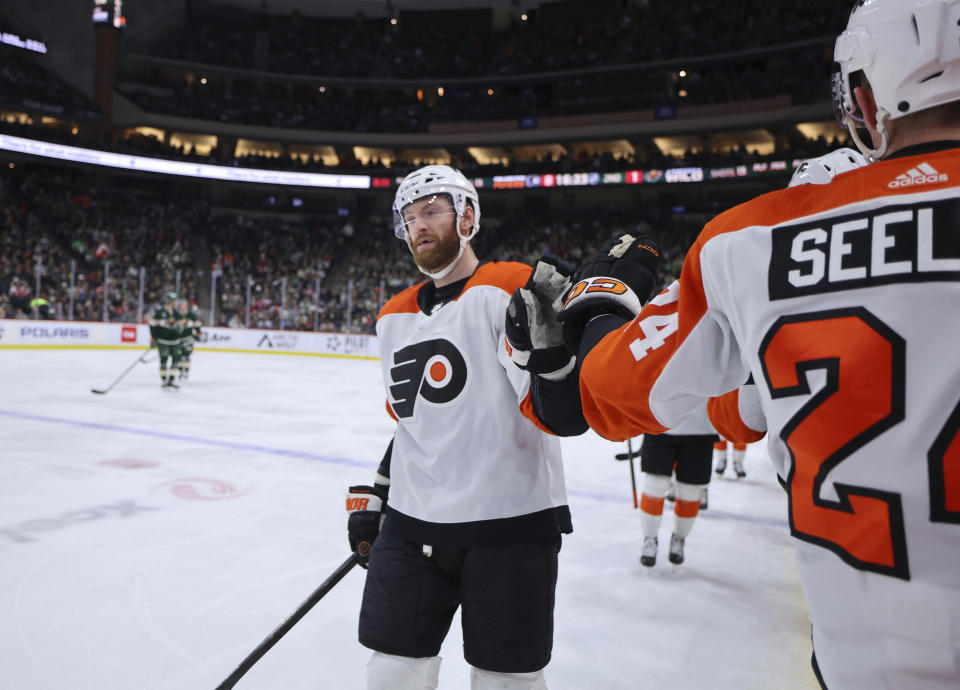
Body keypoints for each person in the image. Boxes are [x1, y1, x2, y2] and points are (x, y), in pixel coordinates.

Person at [558, 1, 960, 687]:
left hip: (863, 661)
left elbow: (607, 393)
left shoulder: (749, 239)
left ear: (864, 92)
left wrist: (601, 303)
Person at [345, 165, 587, 690]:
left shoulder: (509, 288)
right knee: (390, 674)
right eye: (409, 219)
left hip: (509, 526)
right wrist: (378, 495)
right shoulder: (392, 316)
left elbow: (562, 416)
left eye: (431, 210)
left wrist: (559, 361)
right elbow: (413, 426)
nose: (419, 227)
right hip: (411, 527)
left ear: (468, 216)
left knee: (505, 681)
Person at [636, 400, 718, 567]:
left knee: (690, 491)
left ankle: (680, 537)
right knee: (654, 486)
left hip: (701, 427)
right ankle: (650, 538)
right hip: (659, 422)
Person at [148, 292, 183, 389]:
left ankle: (171, 379)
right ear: (170, 301)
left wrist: (177, 327)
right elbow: (152, 324)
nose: (175, 302)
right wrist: (153, 337)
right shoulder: (159, 312)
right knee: (164, 359)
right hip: (163, 340)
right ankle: (164, 380)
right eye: (174, 300)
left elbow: (181, 326)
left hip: (175, 341)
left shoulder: (177, 313)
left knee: (176, 360)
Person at [177, 300, 202, 381]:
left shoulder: (191, 315)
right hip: (179, 339)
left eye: (184, 305)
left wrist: (198, 333)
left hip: (188, 339)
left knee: (187, 355)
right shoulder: (177, 315)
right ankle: (181, 371)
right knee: (180, 356)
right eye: (182, 305)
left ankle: (186, 372)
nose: (183, 307)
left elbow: (197, 325)